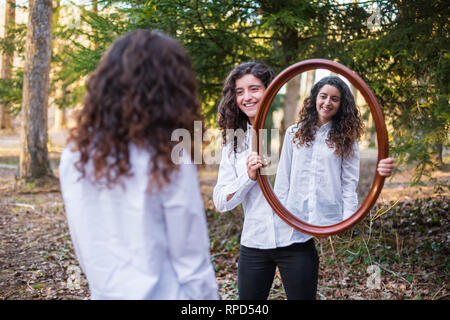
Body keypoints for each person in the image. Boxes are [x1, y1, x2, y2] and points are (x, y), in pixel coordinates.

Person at [213, 61, 395, 300]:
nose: (247, 96)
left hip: (296, 241)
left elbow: (333, 171)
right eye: (239, 91)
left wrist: (379, 172)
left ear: (271, 89)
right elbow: (220, 202)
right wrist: (247, 178)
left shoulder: (296, 134)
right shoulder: (234, 145)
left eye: (254, 88)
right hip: (254, 244)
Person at [59, 29, 218, 300]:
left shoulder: (75, 155)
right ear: (172, 89)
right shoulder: (168, 157)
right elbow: (191, 260)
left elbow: (86, 245)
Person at [274, 76, 363, 226]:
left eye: (334, 99)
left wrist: (347, 221)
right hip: (294, 218)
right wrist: (279, 217)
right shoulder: (293, 133)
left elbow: (349, 184)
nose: (327, 102)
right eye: (323, 96)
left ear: (341, 104)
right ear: (315, 98)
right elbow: (283, 179)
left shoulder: (347, 138)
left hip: (330, 220)